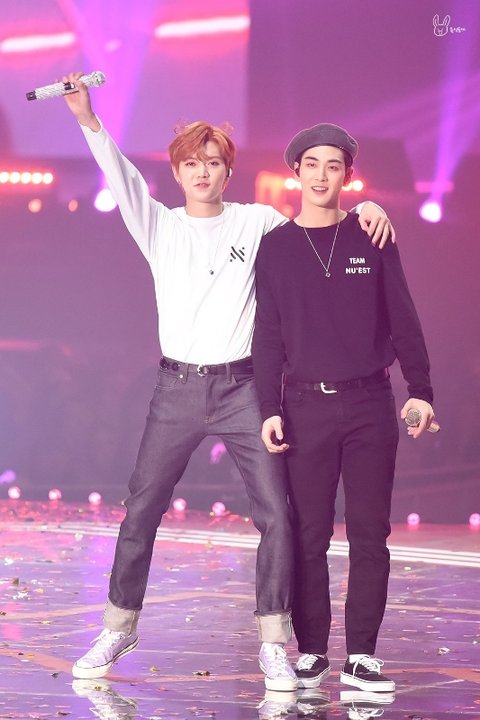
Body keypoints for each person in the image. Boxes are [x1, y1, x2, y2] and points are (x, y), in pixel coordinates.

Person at [60, 73, 393, 689]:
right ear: (177, 172)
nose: (202, 172)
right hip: (177, 391)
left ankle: (273, 640)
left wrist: (364, 208)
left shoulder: (256, 222)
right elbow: (120, 175)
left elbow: (317, 222)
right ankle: (118, 626)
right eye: (192, 163)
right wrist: (87, 117)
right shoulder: (157, 225)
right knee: (141, 511)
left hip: (245, 391)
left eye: (212, 162)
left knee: (277, 515)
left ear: (227, 171)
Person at [252, 123, 436, 694]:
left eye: (333, 165)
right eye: (312, 164)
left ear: (348, 176)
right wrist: (268, 406)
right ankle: (312, 651)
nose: (321, 175)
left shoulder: (371, 234)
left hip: (370, 405)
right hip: (303, 407)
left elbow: (403, 315)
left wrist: (421, 389)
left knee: (369, 534)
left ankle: (362, 655)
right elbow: (268, 334)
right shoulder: (276, 247)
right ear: (297, 172)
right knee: (308, 535)